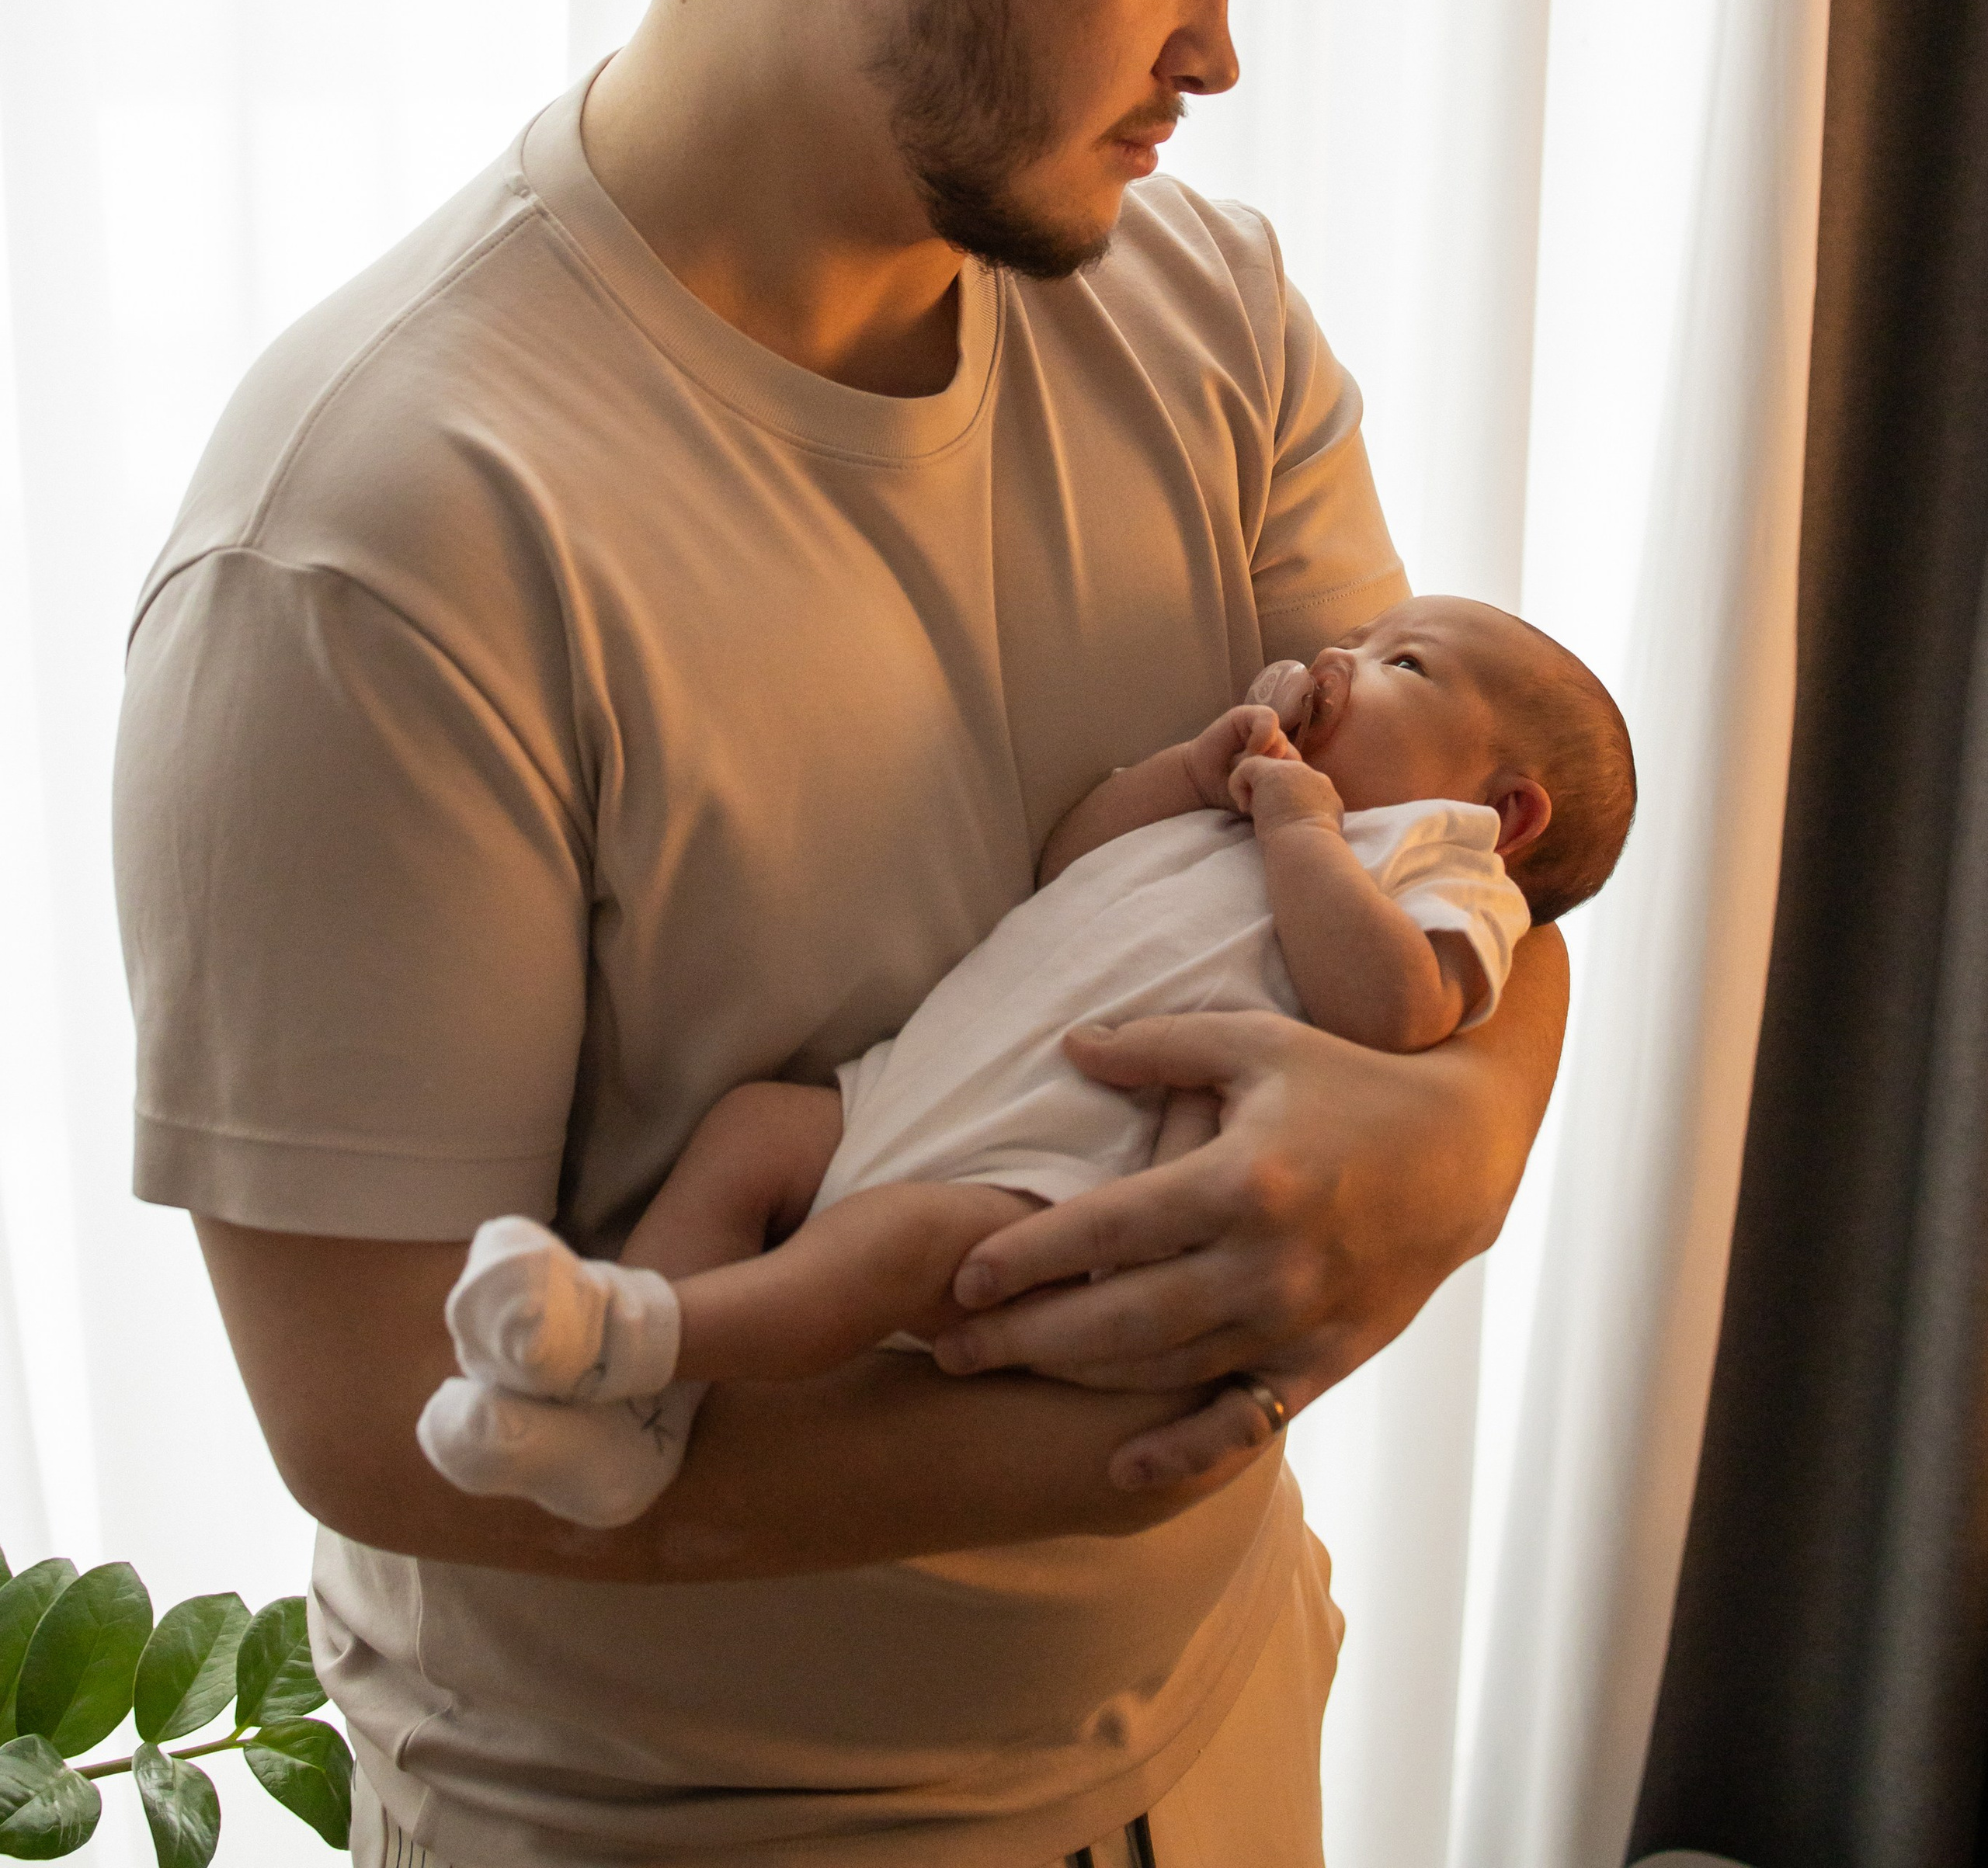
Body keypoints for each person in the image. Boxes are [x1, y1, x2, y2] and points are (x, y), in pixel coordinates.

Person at [113, 0, 1572, 1868]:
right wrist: (1208, 1369)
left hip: (1217, 1751)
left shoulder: (1205, 312)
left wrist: (1460, 1149)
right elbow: (381, 1421)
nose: (1217, 55)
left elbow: (1478, 802)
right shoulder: (368, 547)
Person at [414, 595, 1633, 1532]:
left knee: (890, 1246)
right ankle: (627, 1426)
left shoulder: (1438, 862)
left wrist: (1304, 829)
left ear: (1507, 811)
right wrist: (1197, 776)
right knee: (751, 1130)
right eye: (1363, 638)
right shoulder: (1258, 802)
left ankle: (642, 1334)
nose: (1340, 661)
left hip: (1058, 1175)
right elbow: (1074, 863)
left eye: (1400, 663)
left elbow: (1397, 1008)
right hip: (921, 1086)